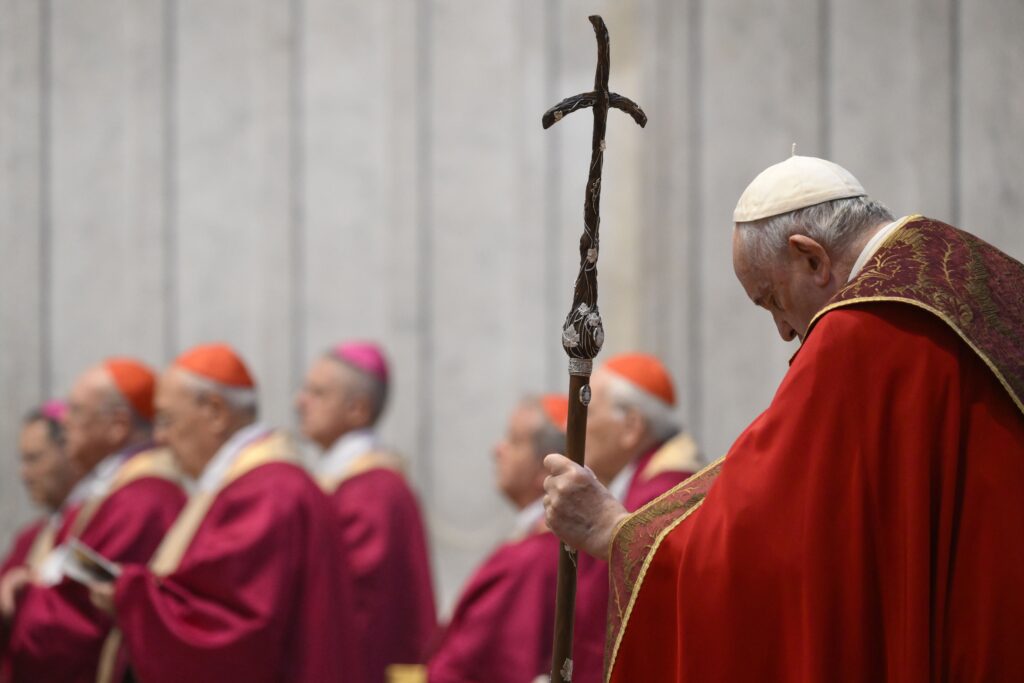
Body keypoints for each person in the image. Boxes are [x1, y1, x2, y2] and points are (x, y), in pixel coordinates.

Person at [543, 154, 1024, 682]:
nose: (784, 332)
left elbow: (764, 544)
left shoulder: (861, 334)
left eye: (772, 299)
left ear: (812, 258)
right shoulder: (977, 269)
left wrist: (612, 530)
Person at [88, 342, 362, 683]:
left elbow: (230, 630)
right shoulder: (250, 483)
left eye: (168, 420)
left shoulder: (267, 492)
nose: (159, 437)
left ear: (216, 412)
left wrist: (131, 595)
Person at [4, 359, 186, 683]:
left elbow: (83, 615)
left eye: (76, 412)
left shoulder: (143, 500)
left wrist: (21, 600)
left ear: (117, 424)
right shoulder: (112, 491)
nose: (66, 422)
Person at [296, 341, 436, 683]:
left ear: (357, 409)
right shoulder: (347, 483)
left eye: (317, 393)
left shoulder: (372, 492)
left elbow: (354, 611)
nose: (299, 402)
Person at [571, 352, 702, 683]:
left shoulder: (658, 500)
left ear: (631, 427)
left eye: (590, 410)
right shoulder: (640, 487)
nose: (571, 424)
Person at [425, 394, 568, 683]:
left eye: (514, 441)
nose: (497, 449)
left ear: (547, 468)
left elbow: (471, 663)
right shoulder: (549, 545)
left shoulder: (531, 558)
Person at [0, 401, 79, 681]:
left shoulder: (97, 525)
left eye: (34, 459)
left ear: (70, 451)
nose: (24, 474)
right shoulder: (30, 538)